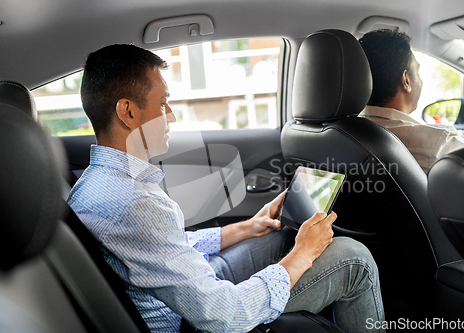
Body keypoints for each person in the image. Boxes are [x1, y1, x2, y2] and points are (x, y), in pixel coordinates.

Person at [68, 44, 384, 333]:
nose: (172, 116)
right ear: (128, 112)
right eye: (163, 104)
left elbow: (164, 246)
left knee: (281, 233)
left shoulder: (96, 183)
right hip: (194, 320)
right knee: (353, 258)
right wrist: (302, 254)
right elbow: (225, 314)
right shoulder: (134, 204)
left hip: (191, 285)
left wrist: (246, 227)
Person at [358, 29, 464, 174]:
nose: (420, 79)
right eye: (417, 71)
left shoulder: (346, 134)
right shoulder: (439, 142)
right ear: (406, 80)